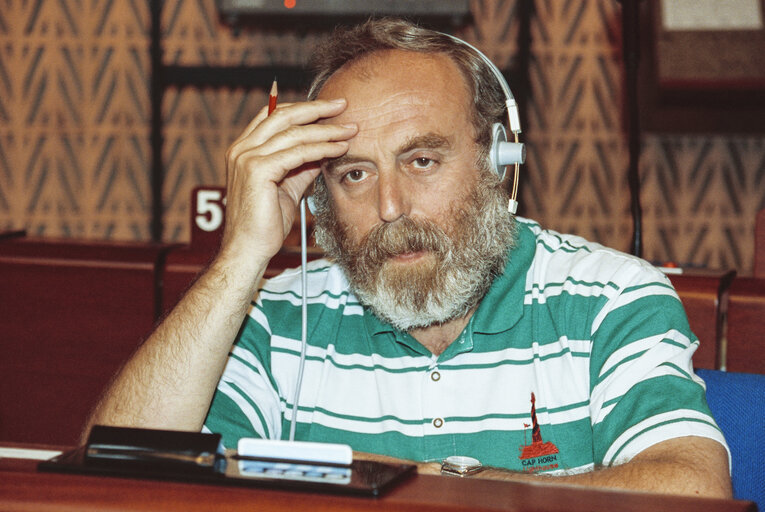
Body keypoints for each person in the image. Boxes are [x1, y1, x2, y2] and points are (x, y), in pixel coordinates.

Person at [86, 18, 732, 497]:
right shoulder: (274, 314)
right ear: (317, 193)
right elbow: (116, 477)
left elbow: (692, 490)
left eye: (421, 160)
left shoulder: (609, 295)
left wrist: (426, 483)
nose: (390, 207)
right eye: (354, 175)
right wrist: (240, 259)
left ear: (496, 161)